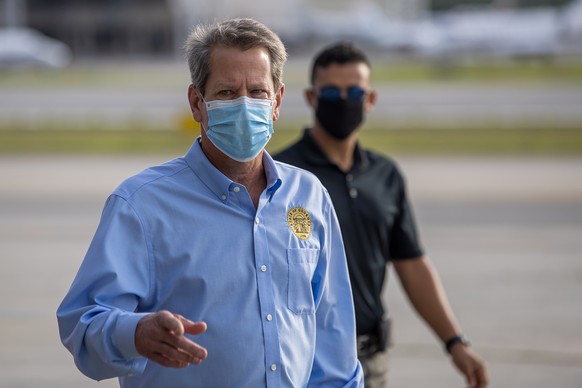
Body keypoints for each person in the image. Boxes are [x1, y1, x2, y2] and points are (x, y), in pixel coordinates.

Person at [57, 19, 363, 388]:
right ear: (196, 103)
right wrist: (135, 332)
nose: (245, 105)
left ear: (277, 101)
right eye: (227, 93)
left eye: (257, 91)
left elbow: (332, 338)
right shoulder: (142, 205)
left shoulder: (308, 195)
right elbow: (82, 325)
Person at [274, 42, 489, 388]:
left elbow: (412, 264)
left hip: (368, 361)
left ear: (370, 99)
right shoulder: (283, 175)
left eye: (354, 91)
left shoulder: (385, 176)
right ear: (311, 98)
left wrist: (455, 342)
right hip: (299, 357)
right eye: (331, 91)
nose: (343, 100)